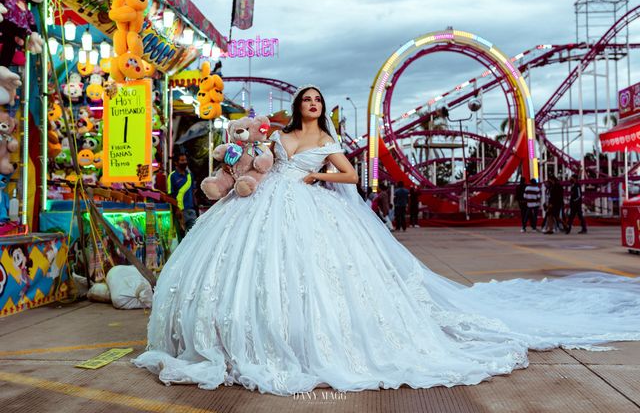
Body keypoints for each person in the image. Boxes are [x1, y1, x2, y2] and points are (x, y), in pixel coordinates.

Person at [134, 85, 640, 396]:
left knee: (321, 276)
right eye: (307, 101)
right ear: (297, 106)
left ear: (322, 108)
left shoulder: (328, 143)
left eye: (317, 101)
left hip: (310, 202)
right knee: (245, 266)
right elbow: (256, 163)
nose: (312, 105)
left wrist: (317, 179)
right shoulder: (281, 137)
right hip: (264, 203)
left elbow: (352, 178)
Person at [167, 153, 198, 236]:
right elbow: (170, 195)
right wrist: (177, 209)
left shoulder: (190, 175)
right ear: (176, 163)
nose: (184, 162)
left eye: (185, 160)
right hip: (179, 211)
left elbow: (193, 191)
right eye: (182, 160)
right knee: (181, 237)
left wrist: (196, 207)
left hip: (191, 210)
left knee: (193, 235)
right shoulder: (172, 176)